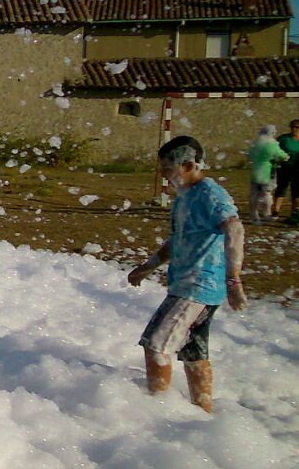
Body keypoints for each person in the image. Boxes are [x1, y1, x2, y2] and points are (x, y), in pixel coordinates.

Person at [128, 136, 247, 414]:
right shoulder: (185, 197)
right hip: (188, 285)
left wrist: (233, 280)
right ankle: (202, 414)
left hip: (198, 286)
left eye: (168, 169)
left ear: (190, 165)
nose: (164, 175)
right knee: (193, 352)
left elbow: (235, 230)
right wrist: (147, 267)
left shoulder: (210, 195)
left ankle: (158, 411)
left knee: (155, 344)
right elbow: (178, 240)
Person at [247, 125, 289, 224]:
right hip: (267, 172)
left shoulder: (256, 143)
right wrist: (286, 157)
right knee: (267, 194)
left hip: (255, 171)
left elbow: (250, 155)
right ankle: (267, 214)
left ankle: (254, 216)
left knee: (254, 195)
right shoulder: (271, 144)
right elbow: (281, 155)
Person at [273, 119, 299, 224]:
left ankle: (294, 212)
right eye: (292, 127)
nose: (294, 129)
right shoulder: (283, 138)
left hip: (297, 169)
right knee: (281, 188)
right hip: (284, 168)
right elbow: (273, 149)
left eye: (297, 127)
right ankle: (275, 211)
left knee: (296, 192)